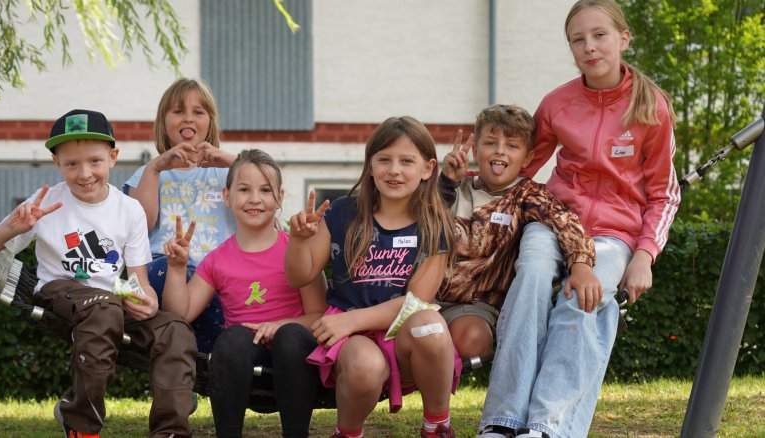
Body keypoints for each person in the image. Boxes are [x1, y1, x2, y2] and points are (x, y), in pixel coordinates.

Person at [477, 1, 680, 437]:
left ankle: (547, 425)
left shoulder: (652, 108)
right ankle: (502, 419)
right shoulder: (557, 103)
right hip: (554, 219)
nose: (589, 47)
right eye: (578, 39)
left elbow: (665, 193)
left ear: (623, 38)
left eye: (599, 35)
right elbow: (521, 167)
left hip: (614, 233)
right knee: (531, 276)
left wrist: (644, 256)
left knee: (583, 298)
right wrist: (469, 183)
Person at [0, 109, 197, 438]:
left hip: (111, 301)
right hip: (59, 294)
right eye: (72, 164)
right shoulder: (45, 203)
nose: (85, 173)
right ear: (57, 163)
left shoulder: (129, 210)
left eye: (94, 161)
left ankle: (170, 431)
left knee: (174, 329)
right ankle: (81, 425)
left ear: (113, 157)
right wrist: (10, 229)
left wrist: (145, 299)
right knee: (104, 308)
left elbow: (138, 281)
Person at [286, 116, 462, 438]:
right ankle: (347, 432)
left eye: (406, 161)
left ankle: (437, 426)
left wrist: (350, 321)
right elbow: (300, 276)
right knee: (365, 367)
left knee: (430, 325)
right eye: (384, 160)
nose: (394, 170)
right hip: (352, 338)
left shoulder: (435, 224)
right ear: (370, 165)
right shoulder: (342, 212)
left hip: (400, 331)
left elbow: (416, 303)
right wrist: (298, 240)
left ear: (427, 169)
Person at [161, 149, 328, 438]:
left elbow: (320, 315)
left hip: (294, 355)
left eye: (265, 190)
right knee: (233, 338)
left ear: (280, 197)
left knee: (290, 337)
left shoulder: (297, 249)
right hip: (241, 358)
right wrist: (176, 268)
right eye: (244, 189)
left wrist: (278, 326)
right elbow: (180, 314)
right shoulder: (217, 260)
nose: (254, 199)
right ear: (226, 196)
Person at [436, 104, 600, 361]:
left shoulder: (528, 195)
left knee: (470, 340)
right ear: (476, 150)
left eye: (512, 146)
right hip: (427, 294)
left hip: (475, 305)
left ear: (526, 158)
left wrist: (581, 265)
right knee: (417, 334)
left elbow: (566, 222)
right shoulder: (456, 185)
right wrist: (445, 183)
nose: (500, 150)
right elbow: (420, 221)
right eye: (490, 143)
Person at [124, 78, 237, 353]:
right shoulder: (148, 173)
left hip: (215, 276)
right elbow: (140, 225)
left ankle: (202, 363)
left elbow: (267, 193)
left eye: (198, 112)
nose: (188, 118)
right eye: (178, 111)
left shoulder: (230, 174)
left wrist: (231, 161)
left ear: (210, 122)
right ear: (163, 123)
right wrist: (155, 168)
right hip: (163, 269)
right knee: (168, 273)